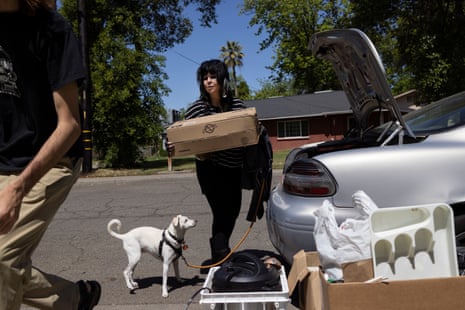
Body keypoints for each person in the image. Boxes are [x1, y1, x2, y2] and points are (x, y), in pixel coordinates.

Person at [0, 0, 101, 309]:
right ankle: (74, 299)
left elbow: (70, 124)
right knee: (6, 265)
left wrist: (17, 188)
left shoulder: (50, 27)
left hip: (50, 161)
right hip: (4, 159)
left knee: (1, 258)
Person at [168, 59, 246, 265]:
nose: (209, 81)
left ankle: (219, 252)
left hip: (234, 168)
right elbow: (180, 136)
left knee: (234, 211)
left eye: (213, 77)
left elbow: (249, 127)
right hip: (211, 170)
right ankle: (221, 256)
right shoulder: (197, 109)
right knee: (221, 212)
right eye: (205, 78)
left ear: (222, 79)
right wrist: (172, 145)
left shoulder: (236, 105)